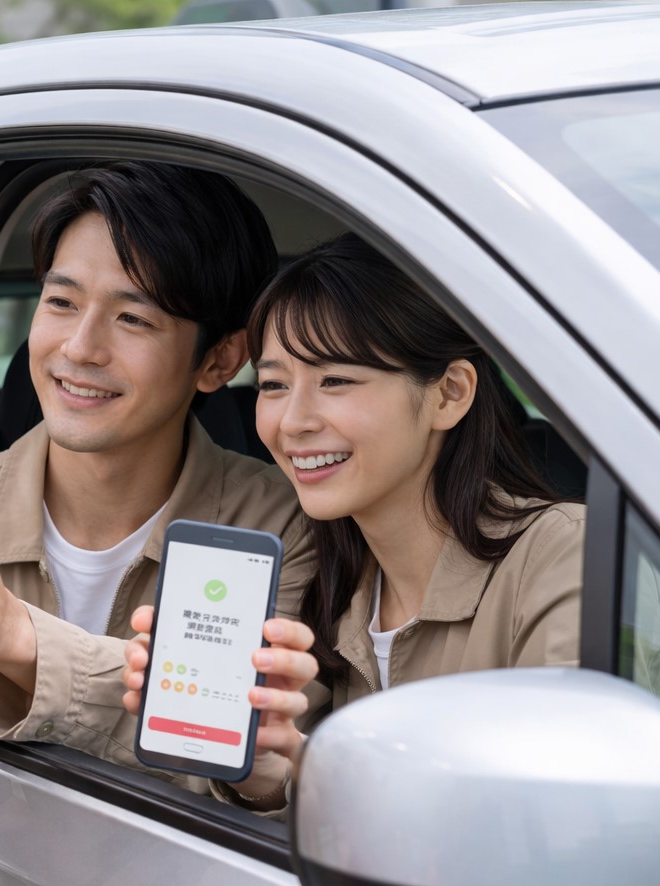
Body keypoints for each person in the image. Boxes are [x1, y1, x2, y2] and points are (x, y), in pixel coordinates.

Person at [0, 162, 321, 810]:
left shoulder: (280, 527)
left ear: (219, 361)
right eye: (61, 303)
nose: (80, 348)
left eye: (134, 319)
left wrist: (13, 636)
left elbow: (250, 770)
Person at [124, 233, 584, 782]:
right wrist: (273, 767)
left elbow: (557, 819)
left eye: (336, 380)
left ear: (449, 394)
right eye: (272, 385)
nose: (292, 421)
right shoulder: (327, 581)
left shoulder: (563, 556)